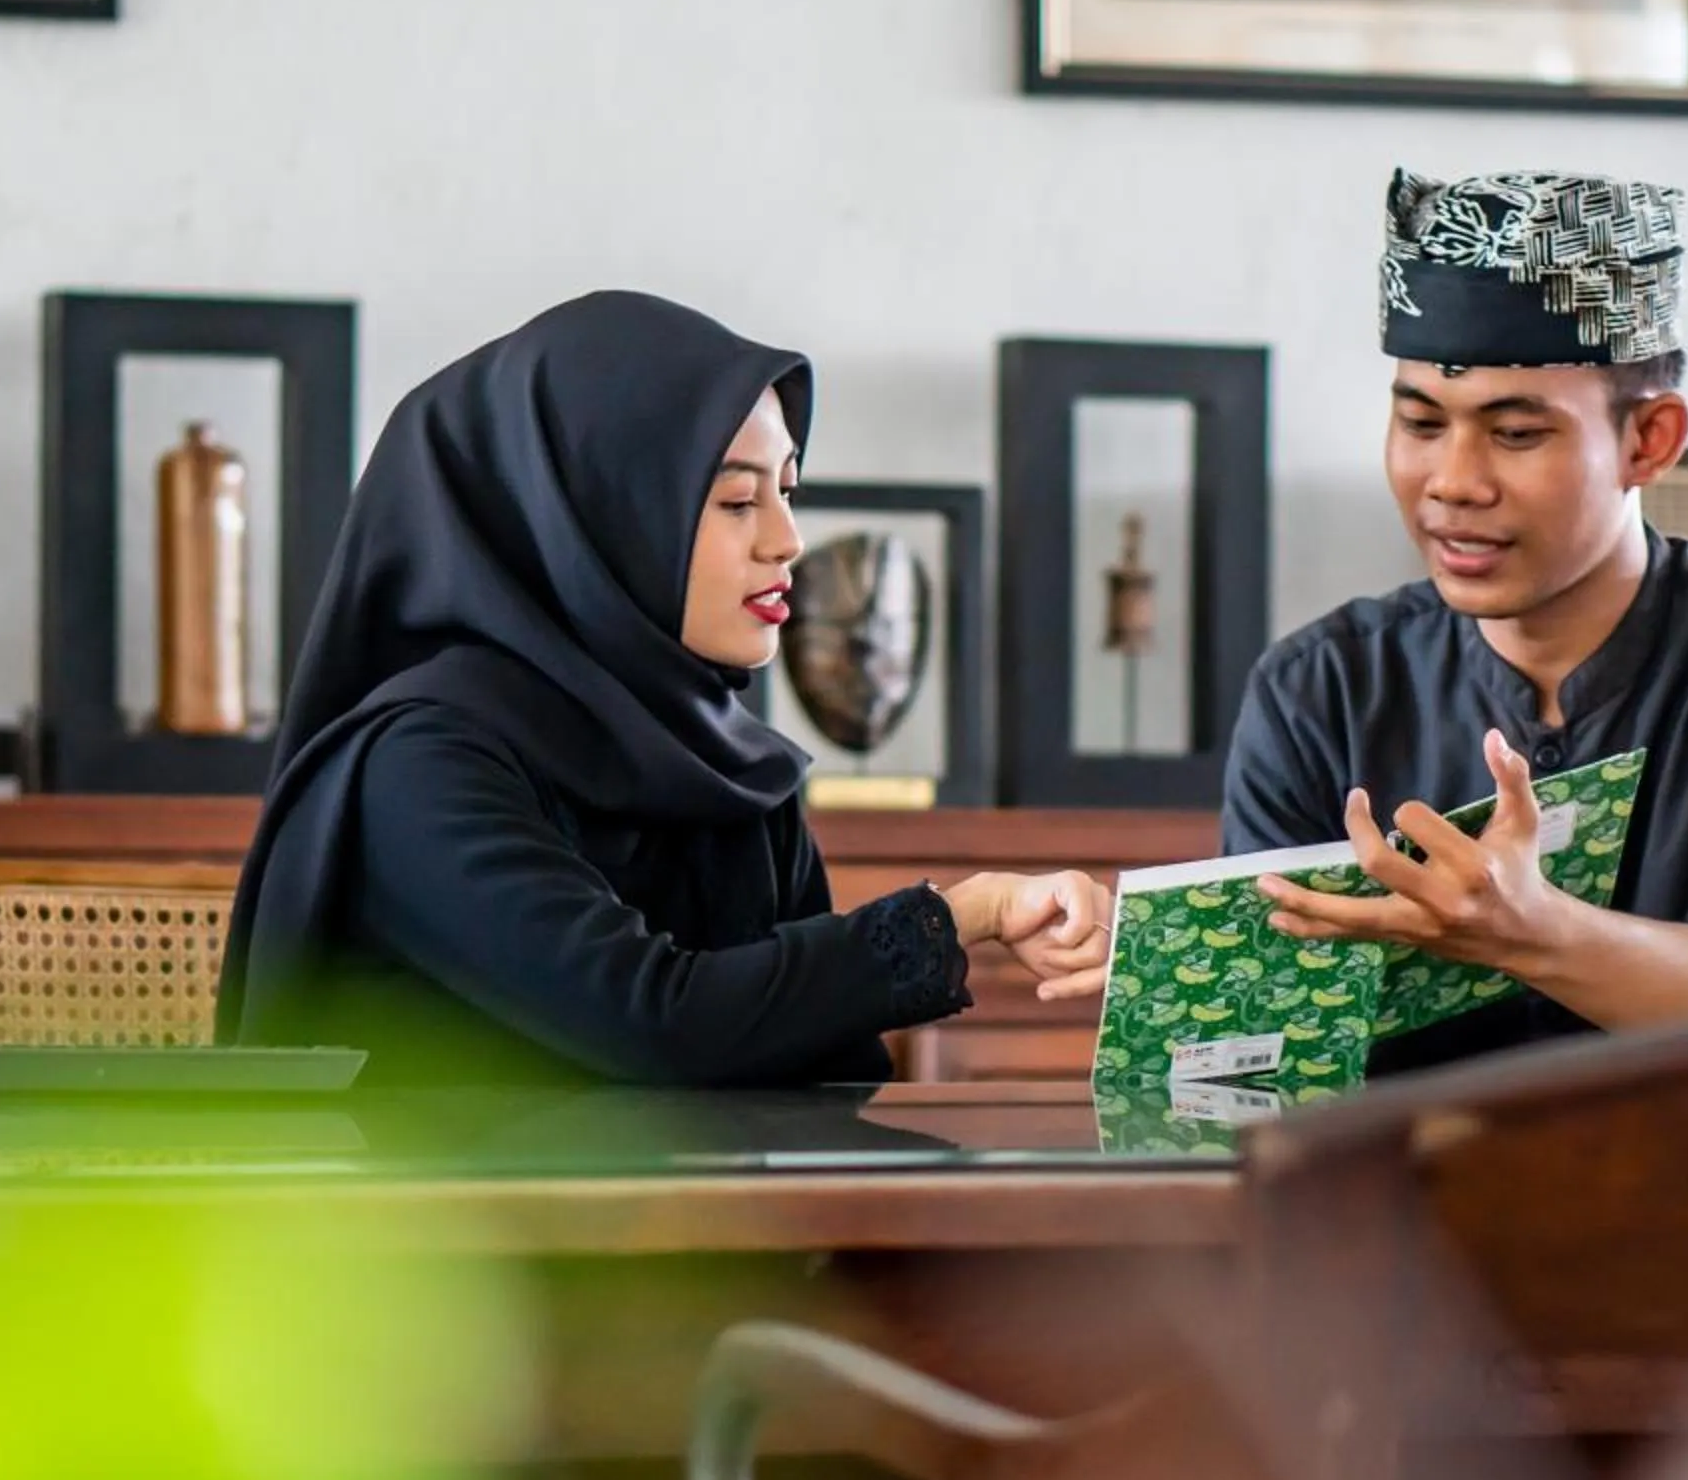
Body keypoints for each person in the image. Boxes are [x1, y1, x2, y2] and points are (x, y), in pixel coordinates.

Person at [214, 290, 1111, 1088]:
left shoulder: (725, 762)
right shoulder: (418, 760)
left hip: (702, 1258)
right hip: (444, 1266)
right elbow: (652, 1022)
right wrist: (972, 912)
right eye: (735, 502)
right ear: (592, 515)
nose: (788, 539)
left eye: (790, 490)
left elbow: (816, 1070)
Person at [1224, 169, 1688, 1075]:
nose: (1454, 482)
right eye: (1422, 424)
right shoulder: (1322, 688)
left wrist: (1531, 932)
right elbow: (1262, 1038)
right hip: (1406, 1201)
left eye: (1515, 435)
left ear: (1648, 441)